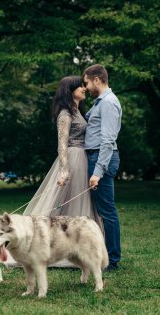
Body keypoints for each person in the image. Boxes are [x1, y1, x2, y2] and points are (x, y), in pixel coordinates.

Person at [23, 75, 101, 224]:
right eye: (80, 86)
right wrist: (64, 170)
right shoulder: (65, 114)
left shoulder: (78, 112)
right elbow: (62, 144)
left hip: (82, 157)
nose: (84, 88)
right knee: (68, 198)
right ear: (70, 90)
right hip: (73, 157)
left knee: (78, 198)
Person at [83, 64, 122, 271]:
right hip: (97, 156)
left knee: (107, 212)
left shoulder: (108, 103)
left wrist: (97, 172)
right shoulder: (99, 103)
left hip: (102, 157)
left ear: (97, 80)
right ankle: (105, 255)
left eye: (87, 82)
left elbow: (108, 140)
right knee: (104, 210)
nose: (86, 87)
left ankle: (113, 260)